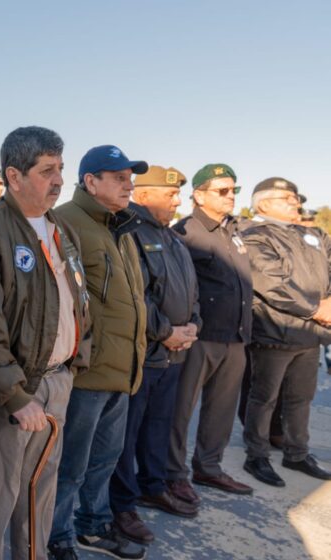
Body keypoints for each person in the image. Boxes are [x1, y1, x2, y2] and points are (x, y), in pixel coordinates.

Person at [0, 127, 87, 560]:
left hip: (58, 382)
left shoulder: (59, 229)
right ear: (14, 176)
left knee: (41, 490)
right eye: (47, 170)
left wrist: (77, 360)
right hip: (14, 395)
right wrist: (16, 396)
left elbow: (77, 300)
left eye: (61, 169)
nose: (58, 179)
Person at [49, 145, 148, 560]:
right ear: (90, 181)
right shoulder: (66, 222)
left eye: (131, 177)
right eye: (118, 177)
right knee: (70, 465)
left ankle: (92, 525)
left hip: (122, 370)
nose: (129, 184)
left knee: (104, 460)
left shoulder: (118, 226)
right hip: (87, 374)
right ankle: (57, 537)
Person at [109, 166, 201, 545]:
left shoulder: (173, 237)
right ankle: (122, 505)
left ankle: (153, 485)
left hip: (174, 354)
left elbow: (190, 290)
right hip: (146, 353)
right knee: (126, 436)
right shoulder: (131, 231)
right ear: (144, 196)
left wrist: (193, 325)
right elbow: (135, 296)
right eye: (171, 195)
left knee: (158, 428)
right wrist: (167, 332)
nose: (178, 201)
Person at [168, 164, 254, 505]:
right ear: (199, 194)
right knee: (180, 411)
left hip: (235, 337)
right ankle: (173, 474)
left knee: (221, 410)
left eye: (234, 190)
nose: (230, 196)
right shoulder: (186, 232)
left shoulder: (232, 230)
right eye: (222, 190)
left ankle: (208, 466)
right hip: (201, 338)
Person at [241, 178, 331, 486]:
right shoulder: (255, 236)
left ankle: (297, 453)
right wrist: (317, 309)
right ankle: (257, 455)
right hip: (275, 333)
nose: (295, 202)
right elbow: (271, 284)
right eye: (286, 198)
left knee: (300, 399)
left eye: (295, 198)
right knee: (264, 398)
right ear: (263, 204)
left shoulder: (313, 234)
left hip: (312, 334)